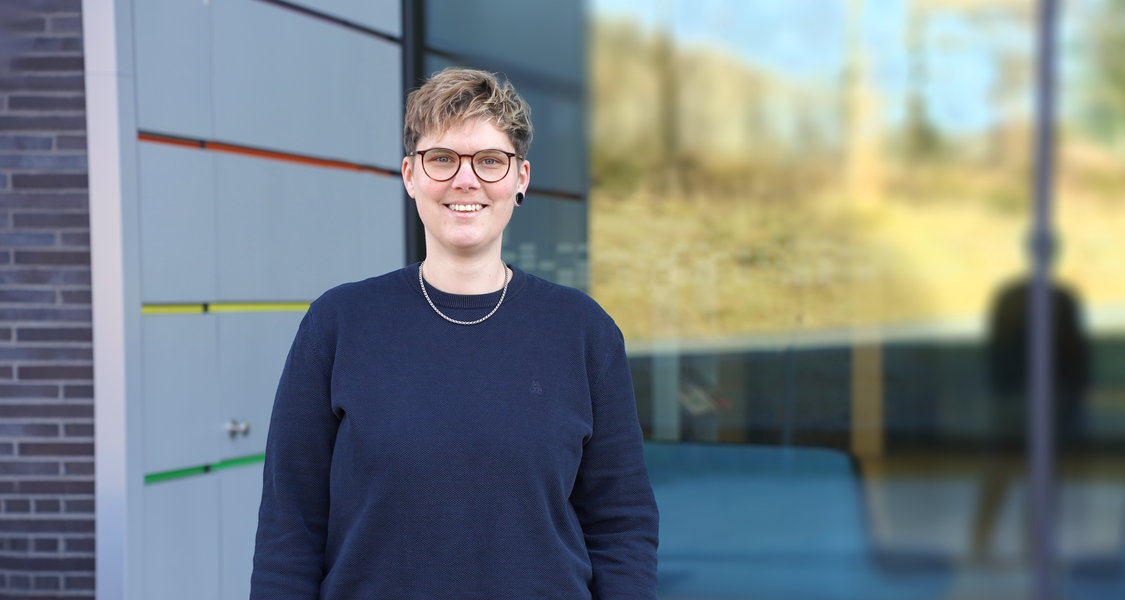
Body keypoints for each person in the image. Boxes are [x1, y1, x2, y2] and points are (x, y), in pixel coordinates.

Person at [250, 67, 659, 599]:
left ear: (521, 178)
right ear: (410, 175)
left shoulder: (584, 333)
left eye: (490, 160)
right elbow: (289, 529)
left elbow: (621, 525)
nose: (466, 180)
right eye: (442, 158)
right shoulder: (337, 325)